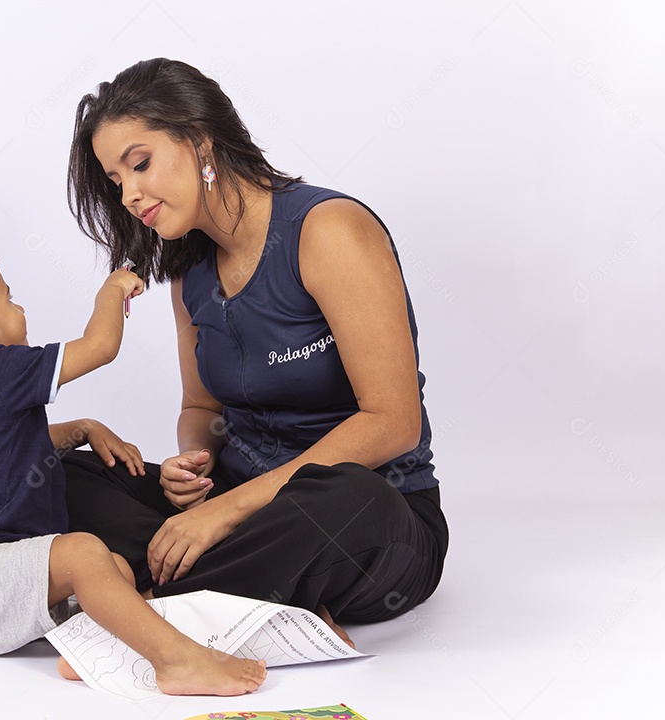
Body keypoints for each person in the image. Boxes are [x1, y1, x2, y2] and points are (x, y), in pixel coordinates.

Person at [63, 58, 449, 632]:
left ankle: (145, 617)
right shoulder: (186, 268)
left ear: (200, 142)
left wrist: (229, 510)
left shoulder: (328, 229)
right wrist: (194, 468)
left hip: (365, 516)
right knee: (62, 472)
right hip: (242, 511)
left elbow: (394, 422)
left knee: (346, 499)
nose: (130, 196)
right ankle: (257, 595)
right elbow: (201, 409)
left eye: (140, 165)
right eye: (117, 183)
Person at [0, 246, 266, 696]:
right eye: (10, 299)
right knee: (84, 553)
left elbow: (14, 447)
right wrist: (113, 290)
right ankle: (177, 661)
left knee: (116, 569)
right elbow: (101, 347)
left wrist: (85, 427)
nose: (21, 308)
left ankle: (87, 651)